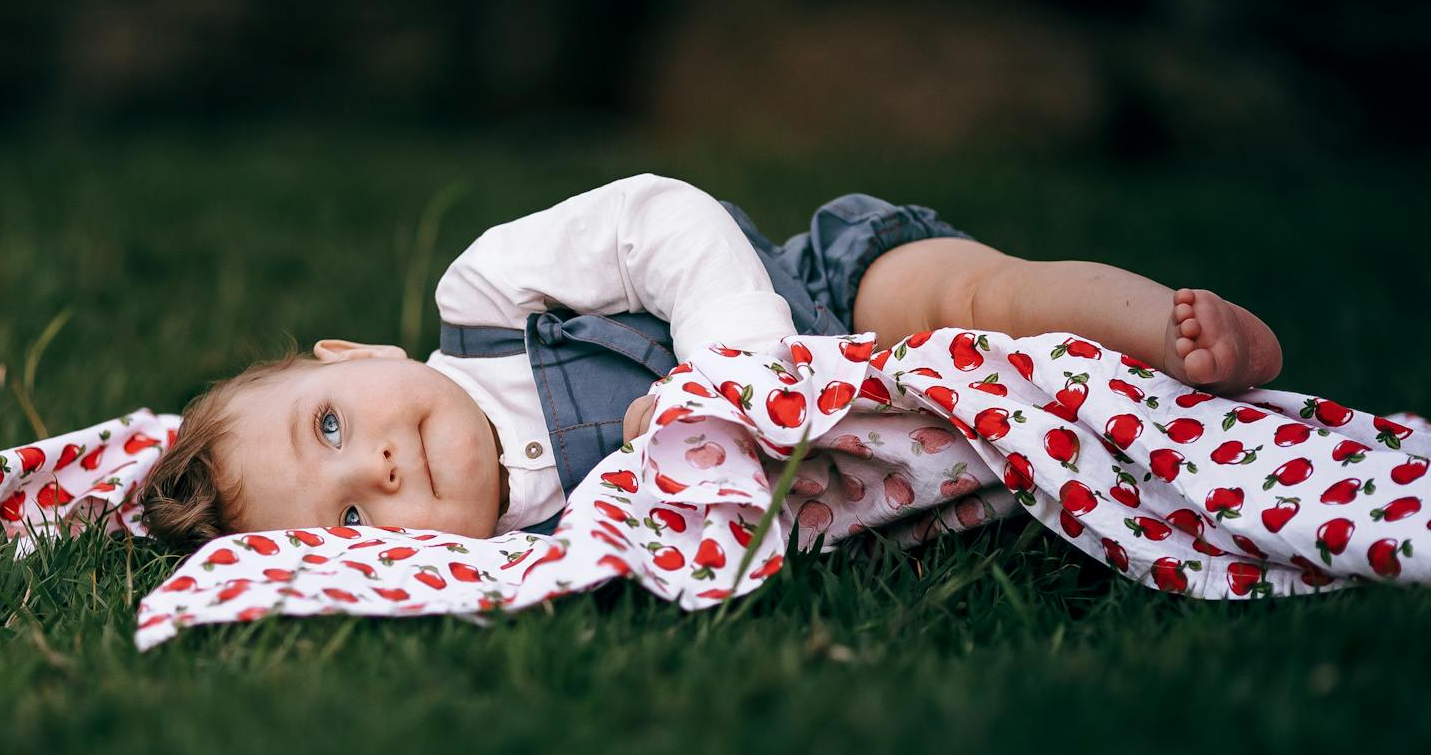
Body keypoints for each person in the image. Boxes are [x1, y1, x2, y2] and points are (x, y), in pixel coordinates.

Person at [142, 175, 1282, 548]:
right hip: (875, 453)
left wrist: (737, 369)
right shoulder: (538, 544)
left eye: (332, 424)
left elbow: (660, 217)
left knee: (987, 302)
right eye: (348, 520)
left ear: (357, 353)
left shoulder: (485, 298)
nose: (381, 466)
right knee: (1011, 424)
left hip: (836, 306)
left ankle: (1170, 331)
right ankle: (1146, 406)